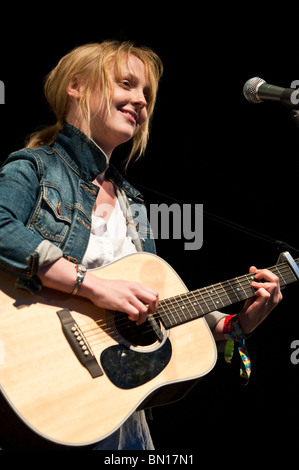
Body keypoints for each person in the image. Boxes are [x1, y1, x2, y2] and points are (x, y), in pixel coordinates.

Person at [0, 40, 282, 450]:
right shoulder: (36, 167)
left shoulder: (132, 202)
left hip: (118, 410)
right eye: (127, 84)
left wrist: (235, 325)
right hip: (48, 386)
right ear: (76, 86)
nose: (140, 101)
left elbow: (153, 307)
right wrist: (92, 284)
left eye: (146, 94)